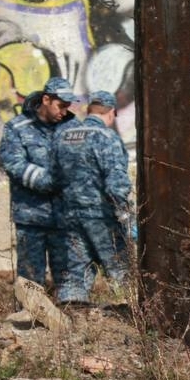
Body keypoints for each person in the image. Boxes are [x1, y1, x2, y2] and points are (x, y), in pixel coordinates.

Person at [0, 76, 77, 293]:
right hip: (31, 219)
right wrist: (50, 180)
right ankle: (28, 322)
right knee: (30, 281)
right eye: (60, 106)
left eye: (68, 107)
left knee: (69, 281)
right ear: (46, 100)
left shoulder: (73, 128)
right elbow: (13, 163)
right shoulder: (17, 128)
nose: (64, 111)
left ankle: (71, 323)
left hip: (65, 220)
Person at [52, 91, 133, 304]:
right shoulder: (107, 138)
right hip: (101, 217)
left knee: (75, 272)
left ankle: (72, 317)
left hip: (68, 216)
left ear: (89, 111)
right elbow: (116, 182)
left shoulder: (63, 136)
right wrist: (124, 215)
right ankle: (138, 319)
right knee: (122, 269)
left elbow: (52, 177)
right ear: (112, 112)